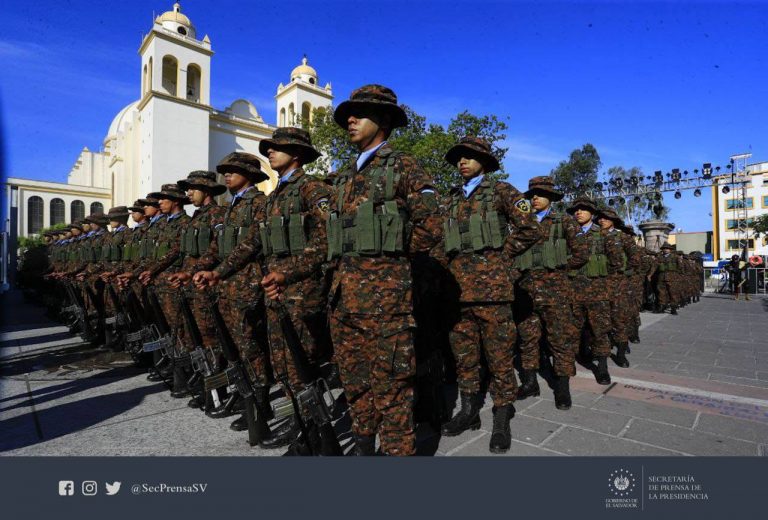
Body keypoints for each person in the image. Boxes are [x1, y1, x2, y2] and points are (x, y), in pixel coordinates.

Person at [325, 84, 442, 456]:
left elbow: (432, 226)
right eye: (348, 116)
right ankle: (363, 449)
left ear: (385, 120)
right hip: (343, 301)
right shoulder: (344, 178)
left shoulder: (403, 166)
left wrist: (389, 257)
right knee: (355, 385)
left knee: (391, 391)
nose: (351, 120)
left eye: (360, 114)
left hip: (386, 305)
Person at [435, 137, 539, 453]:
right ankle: (468, 410)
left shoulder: (502, 192)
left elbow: (531, 229)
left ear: (485, 161)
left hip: (493, 292)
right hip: (458, 293)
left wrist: (501, 258)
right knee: (464, 357)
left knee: (499, 358)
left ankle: (502, 416)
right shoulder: (449, 199)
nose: (462, 162)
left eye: (470, 156)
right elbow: (440, 242)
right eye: (459, 158)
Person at [256, 127, 334, 449]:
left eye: (277, 148)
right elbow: (258, 245)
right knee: (284, 364)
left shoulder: (312, 189)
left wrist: (286, 274)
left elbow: (328, 238)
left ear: (297, 154)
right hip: (277, 292)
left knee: (303, 365)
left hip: (302, 292)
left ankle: (315, 431)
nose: (269, 152)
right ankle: (300, 422)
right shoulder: (275, 196)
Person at [193, 152, 274, 436]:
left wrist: (218, 271)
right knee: (234, 344)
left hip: (247, 282)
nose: (226, 175)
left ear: (249, 174)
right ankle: (245, 392)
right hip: (227, 284)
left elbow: (252, 244)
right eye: (225, 171)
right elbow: (216, 246)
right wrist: (202, 268)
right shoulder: (230, 207)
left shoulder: (260, 204)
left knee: (249, 343)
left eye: (233, 171)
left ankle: (261, 401)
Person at [514, 176, 588, 410]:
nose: (535, 198)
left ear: (551, 198)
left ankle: (562, 388)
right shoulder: (521, 222)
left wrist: (558, 267)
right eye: (532, 194)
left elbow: (582, 253)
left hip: (555, 292)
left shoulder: (563, 222)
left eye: (540, 194)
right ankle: (529, 383)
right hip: (526, 290)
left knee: (559, 340)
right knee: (527, 339)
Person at [566, 197, 623, 385]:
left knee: (600, 330)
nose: (578, 212)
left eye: (583, 209)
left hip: (598, 292)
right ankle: (571, 362)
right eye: (576, 209)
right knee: (573, 329)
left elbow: (616, 263)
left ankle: (602, 367)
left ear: (592, 213)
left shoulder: (604, 235)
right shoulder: (569, 234)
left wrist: (606, 286)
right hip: (574, 291)